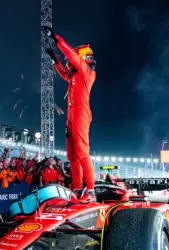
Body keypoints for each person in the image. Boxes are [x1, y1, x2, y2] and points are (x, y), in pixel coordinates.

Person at [43, 26, 97, 201]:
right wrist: (54, 60)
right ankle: (78, 188)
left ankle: (90, 190)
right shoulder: (75, 75)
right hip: (71, 117)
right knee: (72, 156)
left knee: (82, 153)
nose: (70, 62)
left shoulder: (87, 72)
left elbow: (71, 56)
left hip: (81, 114)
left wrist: (56, 38)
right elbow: (65, 73)